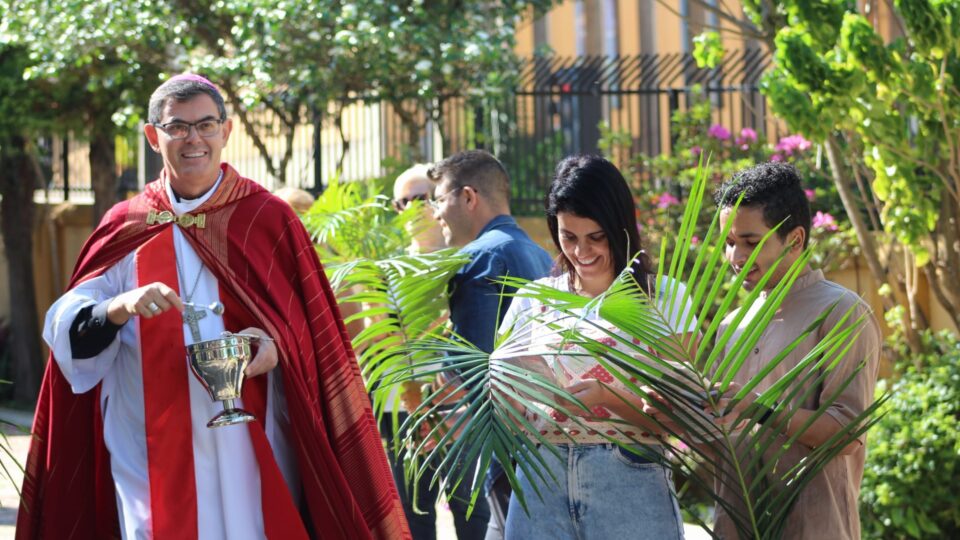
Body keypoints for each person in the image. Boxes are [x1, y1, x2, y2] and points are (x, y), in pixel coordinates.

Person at [17, 74, 409, 540]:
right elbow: (69, 332)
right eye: (177, 127)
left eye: (205, 125)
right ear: (152, 135)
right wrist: (120, 305)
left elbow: (314, 336)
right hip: (146, 447)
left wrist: (275, 348)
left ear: (225, 131)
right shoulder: (125, 225)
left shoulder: (266, 217)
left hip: (248, 441)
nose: (193, 139)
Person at [497, 154, 696, 540]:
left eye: (596, 237)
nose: (580, 252)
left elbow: (685, 417)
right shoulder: (531, 300)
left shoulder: (664, 298)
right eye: (568, 237)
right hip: (541, 483)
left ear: (620, 227)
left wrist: (609, 397)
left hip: (629, 482)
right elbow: (506, 412)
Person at [711, 161, 881, 539]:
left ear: (796, 239)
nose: (736, 258)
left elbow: (846, 433)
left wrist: (759, 407)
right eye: (728, 243)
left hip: (816, 527)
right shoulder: (732, 323)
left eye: (751, 242)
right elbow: (722, 436)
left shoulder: (841, 312)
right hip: (738, 526)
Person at [428, 150, 553, 540]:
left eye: (438, 199)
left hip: (506, 446)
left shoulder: (479, 257)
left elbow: (470, 363)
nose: (435, 214)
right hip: (549, 443)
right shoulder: (543, 255)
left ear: (468, 197)